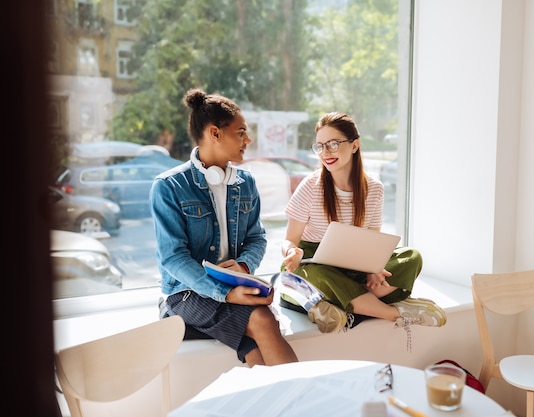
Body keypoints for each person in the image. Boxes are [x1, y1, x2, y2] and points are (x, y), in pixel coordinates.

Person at [150, 88, 298, 366]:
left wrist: (243, 268)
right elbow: (172, 257)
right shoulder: (169, 186)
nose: (248, 139)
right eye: (240, 132)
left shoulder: (246, 182)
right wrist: (225, 293)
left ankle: (280, 405)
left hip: (229, 285)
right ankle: (305, 403)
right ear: (215, 133)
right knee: (263, 319)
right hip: (186, 293)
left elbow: (257, 238)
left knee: (254, 347)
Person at [280, 111, 446, 344]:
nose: (325, 153)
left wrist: (374, 267)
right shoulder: (310, 186)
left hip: (353, 266)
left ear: (355, 145)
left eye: (333, 144)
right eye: (320, 146)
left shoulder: (374, 189)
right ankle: (393, 313)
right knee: (306, 276)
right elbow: (290, 239)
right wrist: (291, 252)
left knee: (411, 257)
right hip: (313, 262)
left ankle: (340, 304)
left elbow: (373, 242)